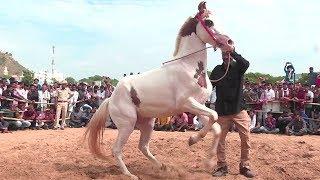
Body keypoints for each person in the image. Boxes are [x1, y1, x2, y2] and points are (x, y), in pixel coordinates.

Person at [209, 49, 254, 178]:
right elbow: (209, 86)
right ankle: (222, 166)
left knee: (246, 137)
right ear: (221, 56)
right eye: (224, 54)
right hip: (222, 111)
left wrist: (232, 51)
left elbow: (246, 63)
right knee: (219, 139)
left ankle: (244, 166)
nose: (226, 56)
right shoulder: (217, 70)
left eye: (228, 54)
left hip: (239, 109)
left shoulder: (239, 66)